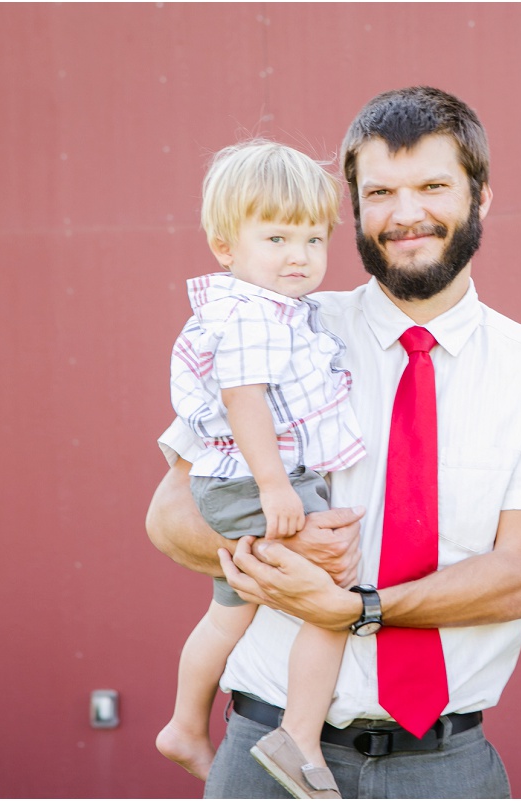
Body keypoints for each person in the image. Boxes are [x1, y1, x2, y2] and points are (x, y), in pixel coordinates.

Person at [146, 86, 521, 799]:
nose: (406, 213)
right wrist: (280, 553)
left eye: (434, 186)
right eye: (380, 191)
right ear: (353, 206)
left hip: (445, 766)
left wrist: (357, 608)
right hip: (264, 754)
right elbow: (168, 514)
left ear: (481, 198)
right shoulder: (283, 327)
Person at [156, 140, 365, 798]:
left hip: (230, 481)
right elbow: (243, 399)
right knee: (334, 601)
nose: (299, 255)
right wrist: (277, 487)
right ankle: (300, 737)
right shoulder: (253, 316)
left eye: (312, 237)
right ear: (225, 246)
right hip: (253, 482)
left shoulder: (271, 309)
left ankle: (185, 724)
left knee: (229, 611)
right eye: (276, 237)